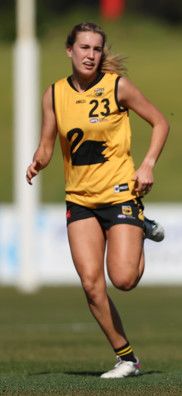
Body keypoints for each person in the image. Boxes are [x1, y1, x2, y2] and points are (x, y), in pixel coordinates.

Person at [25, 22, 169, 377]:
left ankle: (139, 229)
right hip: (80, 199)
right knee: (91, 284)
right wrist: (38, 161)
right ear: (69, 50)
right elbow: (47, 143)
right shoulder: (54, 94)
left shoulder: (117, 87)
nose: (90, 55)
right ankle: (126, 358)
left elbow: (160, 122)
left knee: (123, 280)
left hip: (120, 193)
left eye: (96, 49)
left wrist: (147, 164)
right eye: (84, 47)